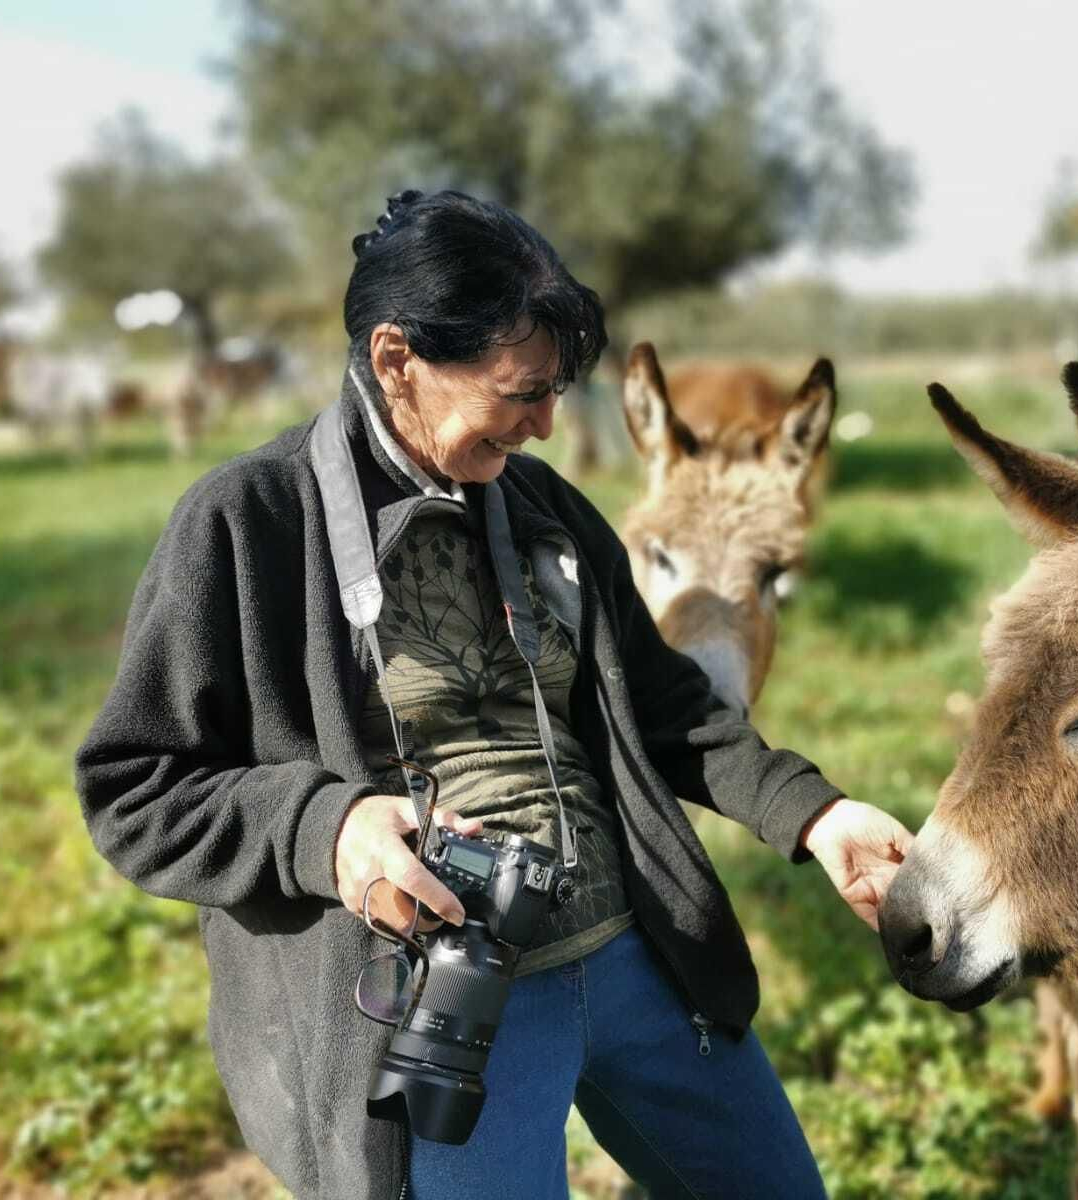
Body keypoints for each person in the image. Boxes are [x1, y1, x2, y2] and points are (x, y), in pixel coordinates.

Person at [75, 189, 914, 1200]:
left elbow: (670, 707)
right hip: (446, 1012)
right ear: (398, 359)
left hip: (637, 959)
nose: (548, 426)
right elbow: (134, 788)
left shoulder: (545, 506)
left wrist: (816, 815)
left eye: (557, 392)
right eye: (521, 393)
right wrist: (326, 830)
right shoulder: (247, 521)